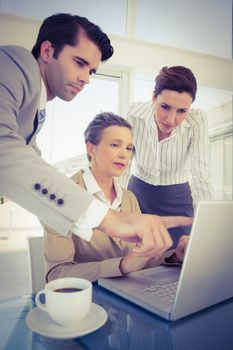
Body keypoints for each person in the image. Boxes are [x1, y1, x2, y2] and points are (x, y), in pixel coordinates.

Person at [0, 13, 191, 257]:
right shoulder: (13, 63)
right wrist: (110, 220)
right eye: (79, 63)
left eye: (91, 70)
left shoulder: (35, 111)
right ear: (47, 51)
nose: (86, 79)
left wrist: (173, 256)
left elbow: (31, 166)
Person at [44, 112, 189, 282]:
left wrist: (175, 257)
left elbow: (140, 259)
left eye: (128, 148)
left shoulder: (129, 198)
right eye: (115, 145)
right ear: (91, 149)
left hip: (127, 295)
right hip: (87, 300)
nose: (124, 155)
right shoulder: (62, 195)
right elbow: (57, 274)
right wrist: (122, 265)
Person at [121, 66, 212, 248]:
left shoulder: (197, 121)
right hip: (138, 196)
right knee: (138, 258)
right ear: (154, 97)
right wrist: (119, 208)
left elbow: (201, 174)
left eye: (182, 111)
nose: (171, 119)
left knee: (181, 257)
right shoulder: (134, 115)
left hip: (177, 200)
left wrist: (207, 225)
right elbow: (123, 166)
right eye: (165, 107)